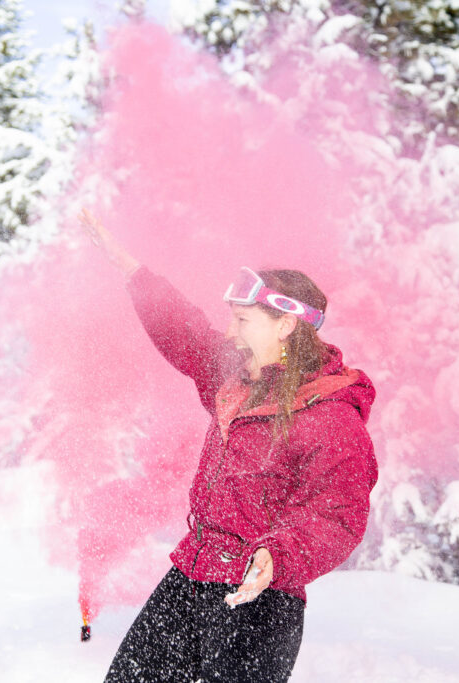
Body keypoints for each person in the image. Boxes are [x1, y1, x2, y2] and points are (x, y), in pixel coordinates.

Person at [78, 209, 378, 683]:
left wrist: (279, 555)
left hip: (259, 599)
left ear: (285, 327)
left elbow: (337, 515)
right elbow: (185, 332)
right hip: (194, 573)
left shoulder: (330, 417)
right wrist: (130, 270)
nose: (232, 331)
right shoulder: (236, 375)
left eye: (243, 319)